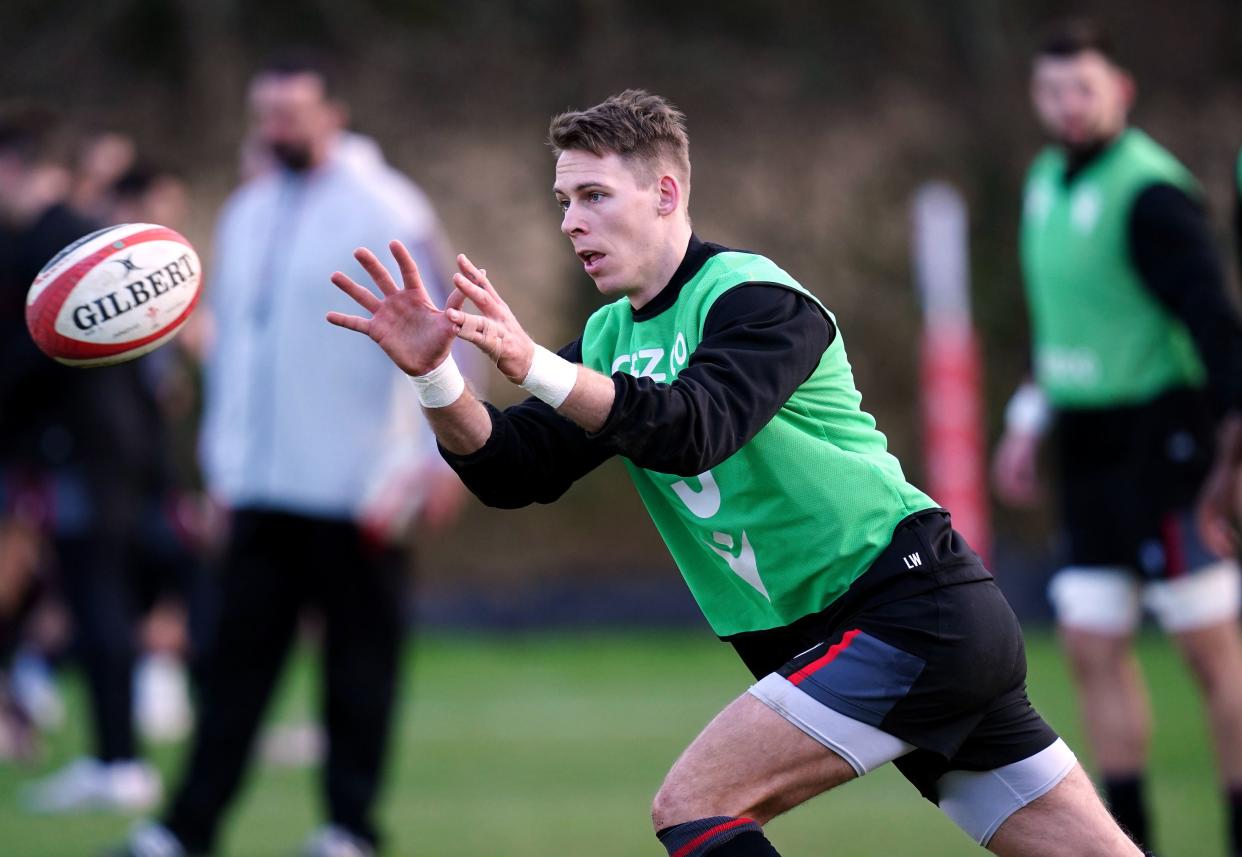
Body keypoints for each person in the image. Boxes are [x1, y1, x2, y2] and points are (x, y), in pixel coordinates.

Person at [327, 89, 1140, 856]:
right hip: (889, 633)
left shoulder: (756, 299)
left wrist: (533, 362)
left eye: (595, 197)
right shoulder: (610, 336)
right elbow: (510, 470)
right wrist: (436, 377)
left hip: (910, 613)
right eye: (564, 202)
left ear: (666, 194)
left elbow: (693, 429)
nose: (572, 223)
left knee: (695, 803)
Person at [114, 55, 466, 857]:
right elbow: (240, 354)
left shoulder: (387, 206)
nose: (275, 130)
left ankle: (348, 830)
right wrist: (222, 468)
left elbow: (449, 333)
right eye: (264, 114)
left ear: (333, 113)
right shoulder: (247, 211)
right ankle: (185, 830)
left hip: (360, 489)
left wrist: (439, 460)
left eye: (291, 114)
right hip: (261, 490)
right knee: (231, 672)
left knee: (358, 672)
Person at [992, 19, 1242, 856]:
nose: (1067, 106)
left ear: (1120, 92)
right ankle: (1130, 842)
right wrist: (1029, 418)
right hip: (1087, 447)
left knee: (1211, 653)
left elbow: (1212, 318)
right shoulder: (1042, 182)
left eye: (1083, 89)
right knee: (1094, 644)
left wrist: (1232, 433)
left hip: (1164, 438)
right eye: (1052, 91)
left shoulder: (1152, 193)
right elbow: (1062, 318)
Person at [0, 108, 165, 812]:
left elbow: (47, 359)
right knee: (85, 597)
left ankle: (120, 760)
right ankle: (108, 752)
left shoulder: (65, 245)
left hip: (89, 453)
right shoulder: (36, 241)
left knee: (100, 601)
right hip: (78, 451)